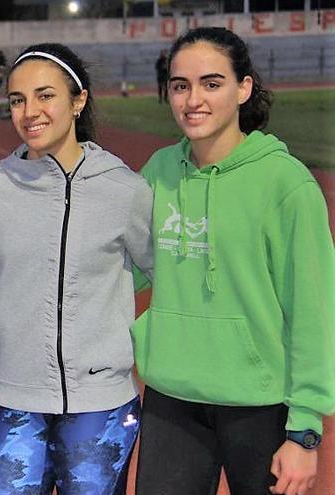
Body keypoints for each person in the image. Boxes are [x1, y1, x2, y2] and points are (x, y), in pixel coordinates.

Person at [133, 27, 335, 495]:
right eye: (180, 86)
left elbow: (313, 309)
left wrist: (304, 429)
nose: (192, 100)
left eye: (212, 83)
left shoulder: (287, 184)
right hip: (171, 400)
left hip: (259, 405)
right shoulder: (159, 172)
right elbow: (123, 267)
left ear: (243, 88)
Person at [0, 43, 154, 494]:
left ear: (77, 100)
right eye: (18, 100)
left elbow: (168, 277)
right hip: (16, 399)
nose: (29, 112)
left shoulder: (124, 190)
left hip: (101, 405)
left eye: (45, 96)